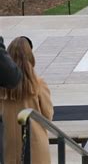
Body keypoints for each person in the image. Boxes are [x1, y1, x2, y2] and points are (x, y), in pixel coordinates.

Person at [0, 36, 54, 164]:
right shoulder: (38, 84)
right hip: (35, 144)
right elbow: (48, 115)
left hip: (8, 144)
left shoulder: (3, 87)